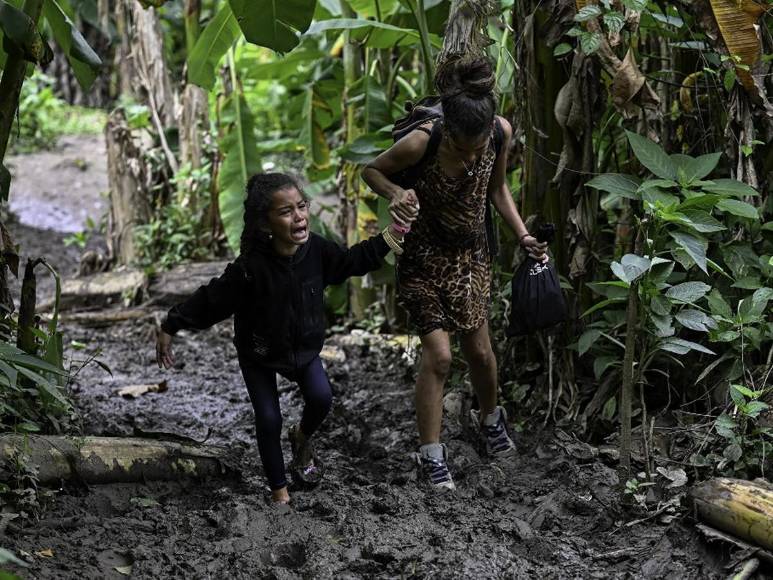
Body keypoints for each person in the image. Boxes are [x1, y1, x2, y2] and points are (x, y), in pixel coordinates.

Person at [155, 172, 414, 504]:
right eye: (286, 211)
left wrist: (393, 233)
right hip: (259, 352)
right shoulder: (250, 268)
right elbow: (211, 300)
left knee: (322, 398)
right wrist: (170, 325)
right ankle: (279, 491)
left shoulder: (317, 251)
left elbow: (351, 262)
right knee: (268, 418)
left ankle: (301, 436)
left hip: (303, 350)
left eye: (302, 206)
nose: (299, 216)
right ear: (266, 223)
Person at [362, 58, 548, 491]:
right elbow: (371, 171)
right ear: (450, 132)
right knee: (441, 357)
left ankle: (490, 420)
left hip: (470, 257)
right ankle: (431, 455)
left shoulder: (499, 133)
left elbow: (497, 189)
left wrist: (522, 236)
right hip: (422, 257)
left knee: (481, 353)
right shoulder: (422, 141)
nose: (472, 155)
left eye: (478, 146)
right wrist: (395, 192)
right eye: (463, 148)